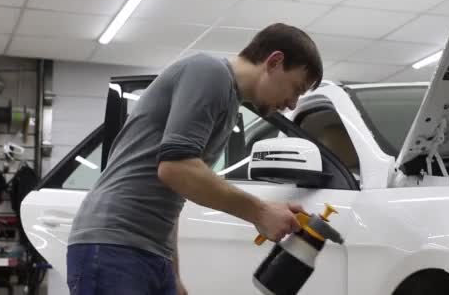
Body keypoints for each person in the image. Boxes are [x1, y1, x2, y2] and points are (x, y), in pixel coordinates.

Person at [66, 23, 324, 295]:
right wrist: (260, 212)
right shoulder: (209, 73)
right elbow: (175, 169)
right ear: (274, 61)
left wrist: (173, 273)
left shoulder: (229, 104)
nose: (293, 103)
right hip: (114, 245)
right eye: (296, 88)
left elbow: (176, 189)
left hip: (149, 251)